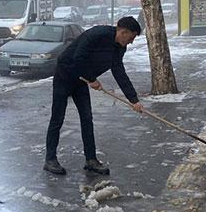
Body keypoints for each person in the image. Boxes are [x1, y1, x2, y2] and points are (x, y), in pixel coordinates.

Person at [44, 16, 143, 176]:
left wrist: (134, 100)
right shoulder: (96, 35)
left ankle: (91, 160)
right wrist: (92, 79)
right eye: (131, 38)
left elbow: (119, 72)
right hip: (65, 75)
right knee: (57, 118)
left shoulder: (119, 48)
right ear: (123, 32)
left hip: (81, 82)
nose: (131, 42)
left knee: (87, 118)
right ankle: (50, 160)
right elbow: (79, 58)